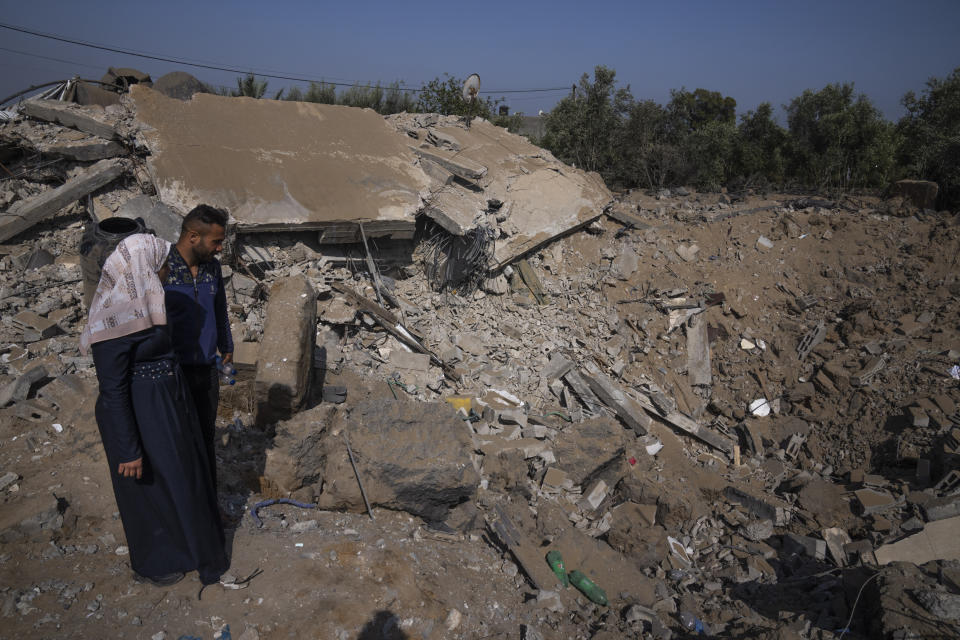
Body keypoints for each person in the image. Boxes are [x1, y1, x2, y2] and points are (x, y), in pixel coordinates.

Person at [81, 234, 228, 587]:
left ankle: (192, 550)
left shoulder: (148, 303)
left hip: (165, 405)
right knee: (145, 486)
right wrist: (128, 449)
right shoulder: (113, 319)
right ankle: (157, 561)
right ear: (141, 268)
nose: (164, 272)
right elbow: (113, 390)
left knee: (180, 477)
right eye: (161, 265)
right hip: (137, 410)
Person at [163, 204, 233, 491]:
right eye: (215, 241)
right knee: (175, 441)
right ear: (193, 236)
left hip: (205, 370)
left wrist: (226, 345)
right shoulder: (162, 265)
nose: (219, 248)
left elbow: (220, 309)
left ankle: (209, 506)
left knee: (205, 438)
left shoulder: (212, 269)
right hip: (170, 371)